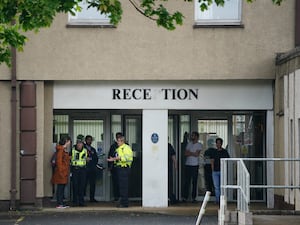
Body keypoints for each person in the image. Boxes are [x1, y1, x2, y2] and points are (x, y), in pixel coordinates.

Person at [107, 135, 133, 208]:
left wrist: (119, 158)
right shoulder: (119, 149)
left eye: (118, 141)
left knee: (124, 187)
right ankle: (122, 201)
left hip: (124, 169)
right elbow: (117, 158)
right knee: (121, 187)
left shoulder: (126, 148)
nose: (117, 142)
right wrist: (113, 159)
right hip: (119, 169)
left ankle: (124, 203)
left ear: (122, 141)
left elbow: (129, 158)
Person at [51, 136, 71, 209]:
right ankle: (59, 203)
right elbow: (59, 162)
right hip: (61, 173)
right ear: (66, 141)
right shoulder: (61, 150)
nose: (69, 143)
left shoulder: (62, 150)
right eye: (69, 141)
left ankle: (61, 202)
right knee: (60, 188)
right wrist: (61, 172)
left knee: (61, 188)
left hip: (63, 172)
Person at [182, 131, 202, 202]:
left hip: (195, 165)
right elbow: (185, 153)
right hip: (188, 165)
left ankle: (194, 197)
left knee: (194, 182)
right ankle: (185, 197)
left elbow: (197, 154)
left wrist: (190, 153)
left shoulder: (199, 145)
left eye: (193, 136)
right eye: (191, 135)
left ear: (196, 137)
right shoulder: (189, 144)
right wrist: (192, 153)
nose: (192, 137)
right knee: (187, 181)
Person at [210, 137, 230, 204]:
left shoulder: (224, 152)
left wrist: (225, 170)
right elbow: (212, 161)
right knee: (216, 187)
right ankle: (217, 200)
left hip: (222, 171)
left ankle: (222, 200)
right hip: (215, 171)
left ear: (221, 144)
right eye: (217, 143)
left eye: (219, 143)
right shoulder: (213, 152)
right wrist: (212, 170)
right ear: (216, 144)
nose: (218, 144)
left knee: (222, 186)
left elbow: (227, 160)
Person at [71, 136, 88, 206]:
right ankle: (75, 201)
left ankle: (81, 201)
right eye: (78, 144)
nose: (79, 145)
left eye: (80, 144)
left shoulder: (85, 150)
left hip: (83, 169)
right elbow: (69, 158)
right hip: (75, 169)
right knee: (75, 185)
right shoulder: (73, 150)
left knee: (82, 186)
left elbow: (86, 158)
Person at [108, 132, 123, 201]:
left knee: (122, 183)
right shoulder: (113, 146)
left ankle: (122, 197)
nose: (118, 139)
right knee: (115, 183)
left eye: (120, 137)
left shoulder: (126, 146)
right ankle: (116, 197)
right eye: (117, 137)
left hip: (123, 168)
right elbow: (110, 156)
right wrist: (109, 167)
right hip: (115, 168)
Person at [84, 135, 98, 202]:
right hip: (84, 169)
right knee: (83, 184)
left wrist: (93, 162)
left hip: (92, 169)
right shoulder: (82, 148)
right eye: (88, 140)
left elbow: (96, 159)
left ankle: (92, 198)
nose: (89, 141)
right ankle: (82, 198)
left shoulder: (93, 149)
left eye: (90, 140)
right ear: (85, 140)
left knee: (92, 184)